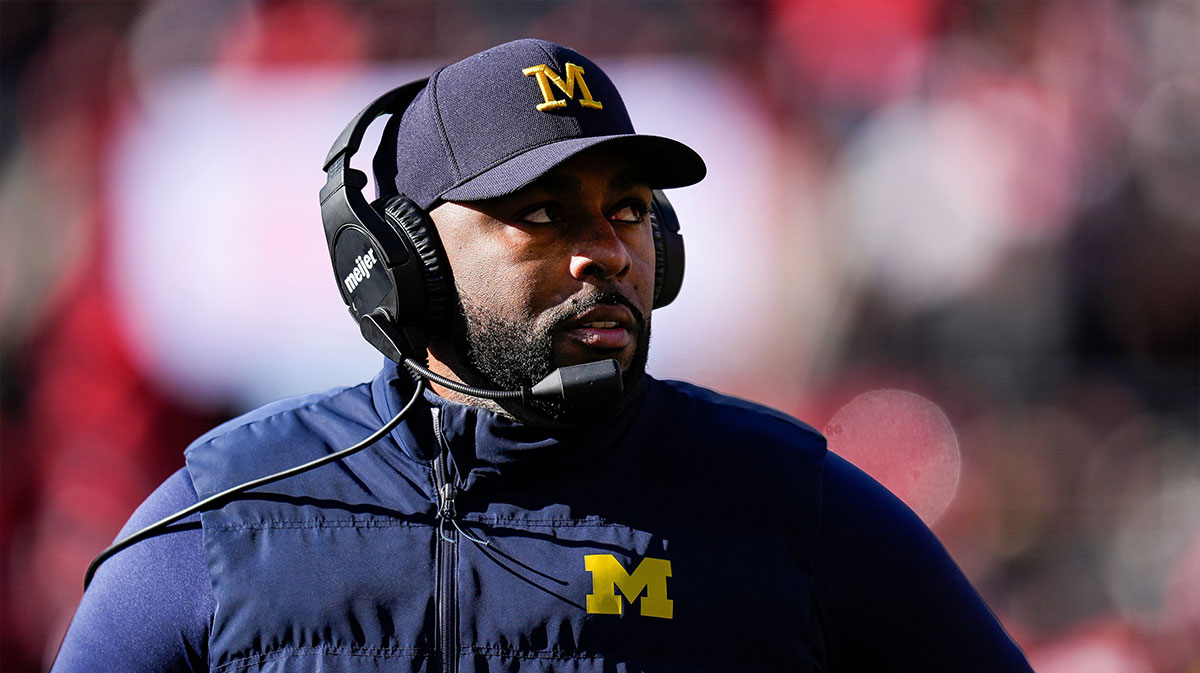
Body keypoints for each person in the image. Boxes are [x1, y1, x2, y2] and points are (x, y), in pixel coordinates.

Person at [52, 39, 1032, 672]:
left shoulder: (793, 508)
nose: (604, 250)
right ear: (404, 262)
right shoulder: (222, 524)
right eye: (540, 213)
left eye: (628, 212)